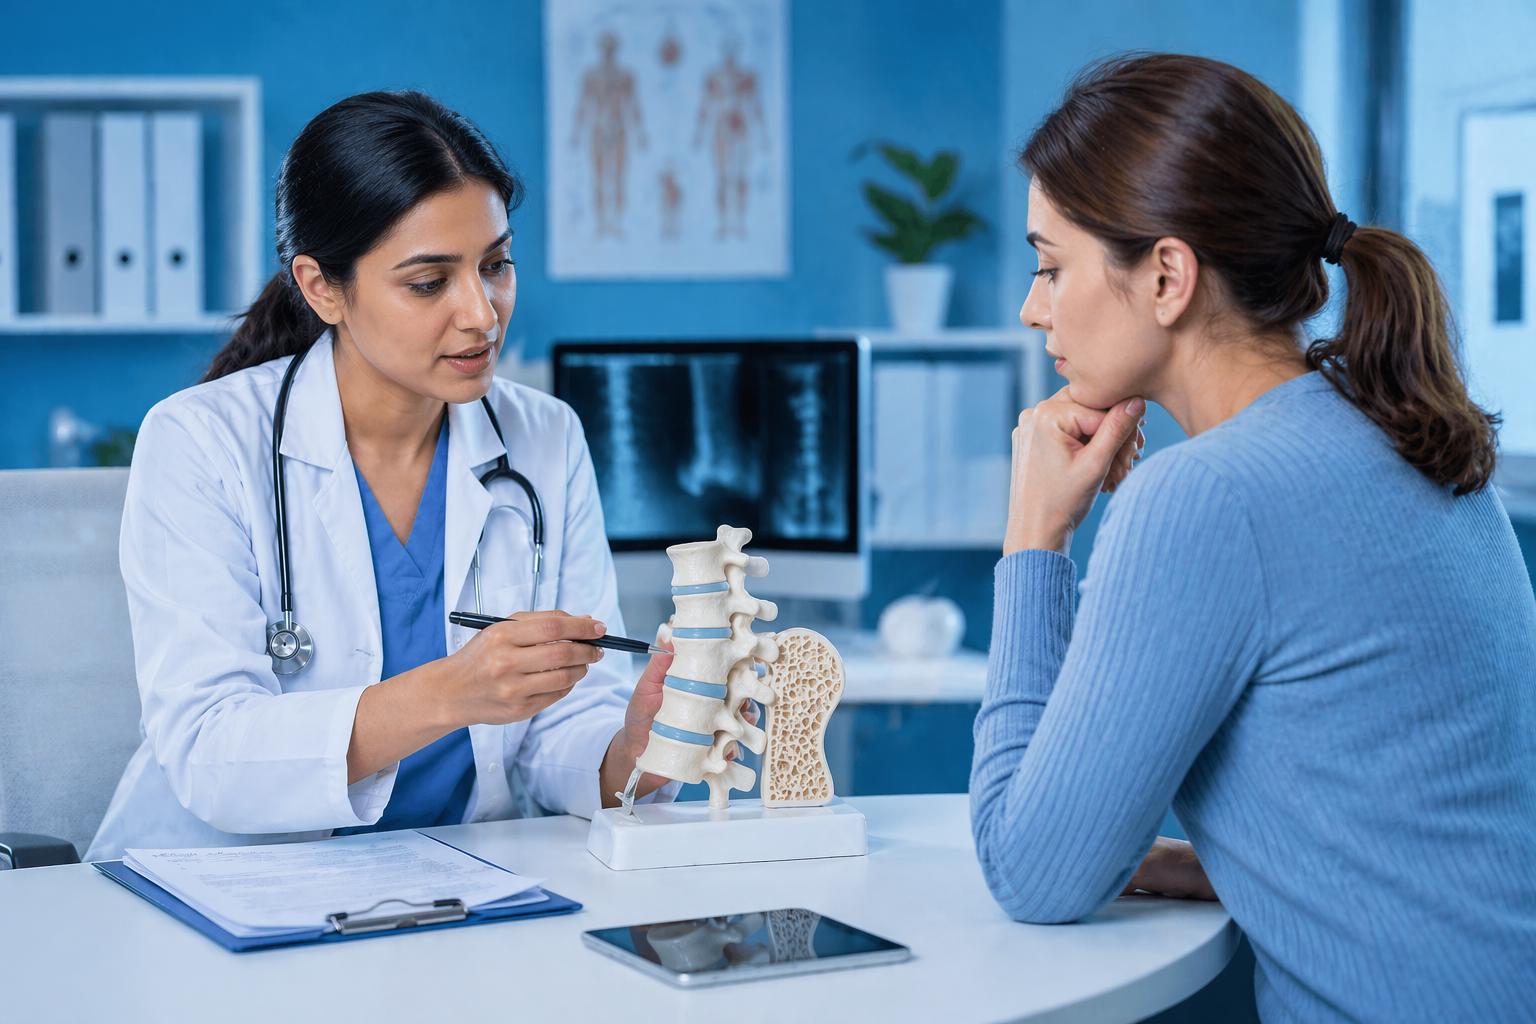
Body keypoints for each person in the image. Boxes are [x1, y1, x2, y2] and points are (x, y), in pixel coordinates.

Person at [971, 54, 1536, 1021]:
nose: (1033, 308)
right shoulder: (1413, 432)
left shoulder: (1205, 498)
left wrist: (1035, 542)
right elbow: (1430, 816)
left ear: (1166, 276)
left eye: (1051, 265)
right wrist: (1243, 863)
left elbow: (1029, 871)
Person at [86, 91, 748, 860]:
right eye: (430, 282)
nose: (481, 313)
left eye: (495, 265)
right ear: (322, 286)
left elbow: (558, 732)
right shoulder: (200, 442)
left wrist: (632, 746)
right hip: (229, 884)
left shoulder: (545, 437)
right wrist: (453, 692)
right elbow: (209, 752)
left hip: (456, 881)